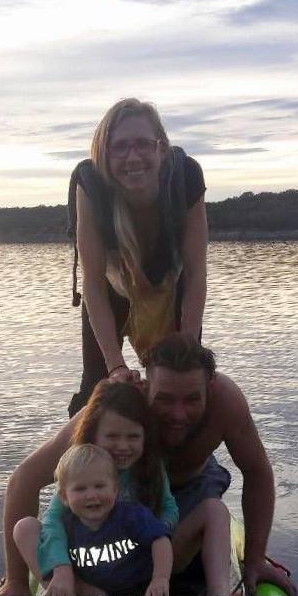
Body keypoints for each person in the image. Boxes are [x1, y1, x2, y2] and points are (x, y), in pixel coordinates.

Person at [0, 335, 294, 596]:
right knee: (30, 527)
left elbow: (257, 473)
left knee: (214, 511)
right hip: (110, 526)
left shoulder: (227, 402)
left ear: (210, 387)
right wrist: (17, 581)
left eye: (192, 400)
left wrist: (254, 559)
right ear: (145, 387)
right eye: (165, 399)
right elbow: (24, 480)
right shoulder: (111, 414)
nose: (178, 414)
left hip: (171, 509)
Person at [12, 380, 248, 596]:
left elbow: (169, 507)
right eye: (112, 437)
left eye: (132, 437)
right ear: (94, 435)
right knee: (25, 528)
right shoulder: (78, 469)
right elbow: (52, 521)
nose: (122, 446)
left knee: (215, 509)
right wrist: (62, 569)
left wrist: (155, 535)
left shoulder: (150, 467)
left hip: (142, 563)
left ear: (145, 436)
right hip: (89, 567)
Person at [67, 98, 208, 417]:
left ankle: (187, 462)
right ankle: (81, 462)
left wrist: (186, 345)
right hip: (109, 290)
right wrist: (116, 366)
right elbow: (92, 281)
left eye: (143, 144)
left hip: (171, 285)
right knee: (97, 389)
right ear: (105, 153)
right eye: (120, 147)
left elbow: (197, 272)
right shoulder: (91, 185)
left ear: (160, 148)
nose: (133, 157)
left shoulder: (186, 177)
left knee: (182, 383)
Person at [14, 443, 173, 596]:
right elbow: (42, 532)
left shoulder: (131, 515)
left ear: (115, 489)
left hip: (131, 594)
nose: (91, 495)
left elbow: (160, 540)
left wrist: (160, 578)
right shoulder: (64, 525)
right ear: (63, 496)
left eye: (99, 486)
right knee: (23, 527)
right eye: (80, 489)